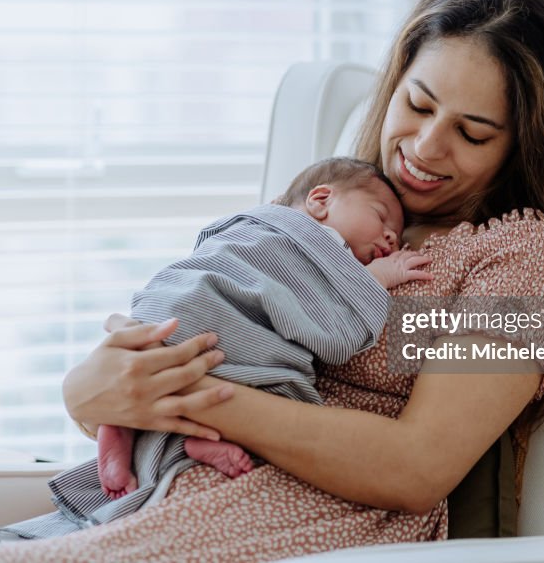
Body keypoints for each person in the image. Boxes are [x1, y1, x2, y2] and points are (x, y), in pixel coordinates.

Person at [0, 0, 544, 563]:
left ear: (524, 144)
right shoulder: (338, 204)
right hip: (170, 483)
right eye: (416, 104)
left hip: (317, 516)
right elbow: (195, 323)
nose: (425, 147)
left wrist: (198, 396)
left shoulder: (521, 258)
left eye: (473, 133)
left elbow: (417, 465)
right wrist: (89, 388)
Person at [82, 158, 430, 511]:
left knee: (223, 390)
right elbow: (333, 329)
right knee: (284, 395)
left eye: (397, 236)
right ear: (320, 200)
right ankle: (185, 436)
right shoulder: (309, 240)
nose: (390, 235)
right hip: (213, 316)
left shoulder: (253, 223)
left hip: (164, 311)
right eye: (381, 216)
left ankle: (136, 431)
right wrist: (378, 278)